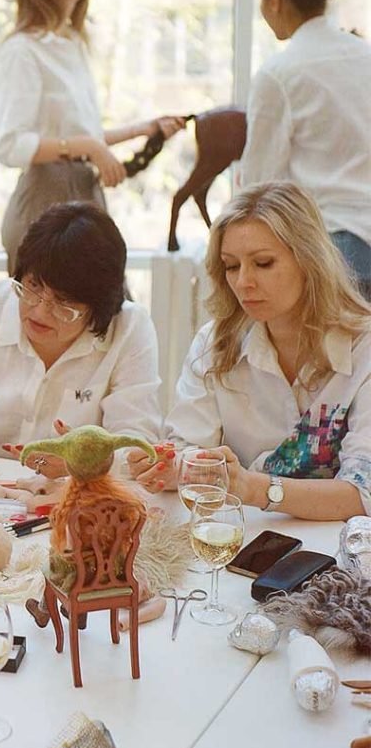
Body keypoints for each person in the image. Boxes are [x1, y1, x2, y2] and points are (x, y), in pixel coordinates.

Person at [130, 182, 371, 521]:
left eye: (263, 263)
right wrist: (171, 467)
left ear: (310, 260)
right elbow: (187, 448)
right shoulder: (214, 344)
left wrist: (251, 487)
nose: (244, 282)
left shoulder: (364, 346)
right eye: (231, 266)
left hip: (342, 547)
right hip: (242, 537)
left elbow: (363, 494)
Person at [0, 202, 162, 480]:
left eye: (63, 302)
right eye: (33, 286)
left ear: (98, 308)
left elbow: (138, 444)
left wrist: (86, 464)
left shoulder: (129, 328)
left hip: (79, 491)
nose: (39, 311)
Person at [0, 0, 184, 272]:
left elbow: (79, 136)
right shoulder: (22, 51)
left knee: (106, 304)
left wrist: (143, 129)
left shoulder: (73, 44)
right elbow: (10, 145)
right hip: (44, 203)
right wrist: (91, 147)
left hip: (84, 195)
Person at [239, 0, 371, 298]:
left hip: (331, 249)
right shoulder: (365, 57)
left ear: (275, 0)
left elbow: (259, 184)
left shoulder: (279, 74)